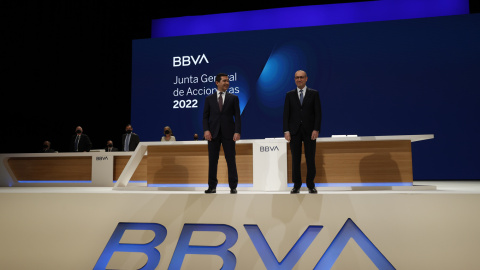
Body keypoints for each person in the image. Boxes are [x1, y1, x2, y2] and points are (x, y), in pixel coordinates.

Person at [283, 70, 322, 194]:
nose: (299, 79)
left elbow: (318, 114)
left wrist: (316, 129)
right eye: (297, 77)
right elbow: (286, 115)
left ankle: (311, 185)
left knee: (310, 158)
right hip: (294, 131)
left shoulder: (314, 94)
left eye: (301, 77)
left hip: (310, 131)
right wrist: (286, 130)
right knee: (295, 159)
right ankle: (296, 185)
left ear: (306, 79)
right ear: (294, 79)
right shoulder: (289, 95)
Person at [203, 73, 241, 194]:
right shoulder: (209, 99)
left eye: (228, 81)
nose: (227, 83)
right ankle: (212, 186)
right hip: (213, 134)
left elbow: (237, 117)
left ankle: (233, 186)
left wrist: (237, 131)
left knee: (231, 160)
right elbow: (205, 117)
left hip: (229, 134)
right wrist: (206, 130)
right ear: (217, 82)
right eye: (224, 81)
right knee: (212, 161)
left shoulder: (233, 98)